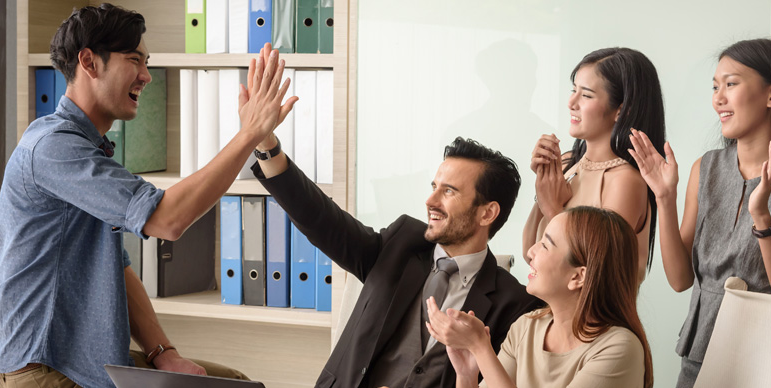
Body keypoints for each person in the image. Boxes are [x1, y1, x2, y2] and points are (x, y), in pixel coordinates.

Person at [0, 4, 296, 388]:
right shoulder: (54, 149)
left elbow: (116, 269)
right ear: (89, 62)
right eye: (134, 60)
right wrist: (249, 134)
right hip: (47, 370)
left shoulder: (87, 147)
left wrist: (163, 353)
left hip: (88, 361)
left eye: (147, 62)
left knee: (236, 382)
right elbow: (167, 219)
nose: (146, 76)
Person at [252, 136, 544, 388]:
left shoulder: (516, 305)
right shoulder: (401, 244)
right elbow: (321, 219)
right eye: (434, 186)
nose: (430, 200)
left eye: (449, 191)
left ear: (487, 213)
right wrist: (268, 147)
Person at [628, 38, 771, 387]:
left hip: (768, 358)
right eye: (715, 87)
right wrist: (665, 198)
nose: (718, 98)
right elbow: (681, 280)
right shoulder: (706, 168)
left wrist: (762, 218)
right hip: (701, 349)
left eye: (731, 84)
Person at [426, 206, 653, 388]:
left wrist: (481, 348)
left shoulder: (619, 348)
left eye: (545, 245)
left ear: (578, 276)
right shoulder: (526, 327)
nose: (531, 252)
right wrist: (466, 376)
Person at [522, 47, 666, 283]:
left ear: (622, 110)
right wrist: (542, 185)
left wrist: (552, 209)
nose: (571, 102)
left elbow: (596, 274)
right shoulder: (568, 163)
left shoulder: (625, 182)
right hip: (549, 315)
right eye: (573, 90)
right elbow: (529, 251)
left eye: (586, 95)